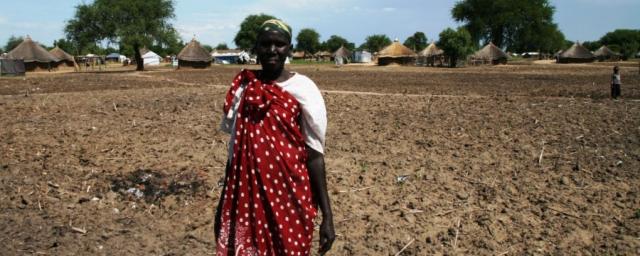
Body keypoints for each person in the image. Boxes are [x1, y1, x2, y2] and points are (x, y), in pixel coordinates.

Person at [215, 19, 335, 256]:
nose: (272, 50)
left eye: (279, 44)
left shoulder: (303, 89)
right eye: (265, 44)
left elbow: (314, 154)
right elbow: (235, 153)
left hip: (291, 197)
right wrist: (223, 204)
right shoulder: (244, 88)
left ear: (289, 47)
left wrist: (328, 216)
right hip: (247, 198)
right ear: (256, 48)